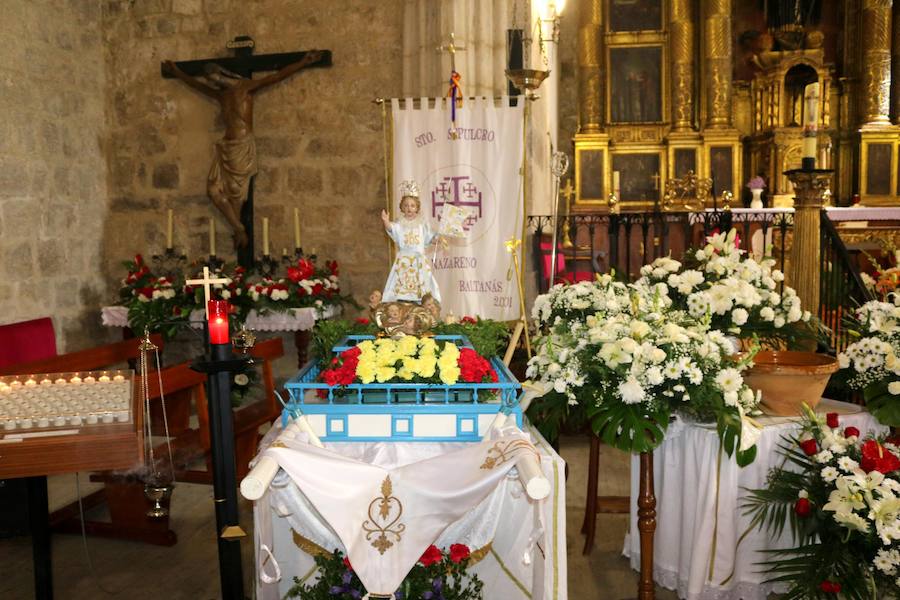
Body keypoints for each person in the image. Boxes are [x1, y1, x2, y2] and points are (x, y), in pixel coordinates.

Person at [163, 51, 324, 247]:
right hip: (225, 147)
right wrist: (177, 72)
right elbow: (196, 85)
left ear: (222, 73)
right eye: (210, 80)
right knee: (213, 191)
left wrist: (302, 63)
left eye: (213, 78)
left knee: (235, 192)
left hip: (241, 146)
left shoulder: (246, 87)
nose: (212, 82)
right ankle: (238, 228)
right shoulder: (221, 95)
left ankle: (238, 232)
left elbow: (276, 76)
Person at [380, 180, 442, 304]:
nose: (409, 208)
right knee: (401, 284)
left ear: (417, 208)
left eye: (412, 205)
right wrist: (386, 221)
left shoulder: (422, 225)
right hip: (404, 260)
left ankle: (421, 303)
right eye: (406, 205)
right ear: (402, 207)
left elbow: (429, 238)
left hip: (419, 261)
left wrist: (437, 239)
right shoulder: (399, 224)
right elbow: (391, 229)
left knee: (422, 285)